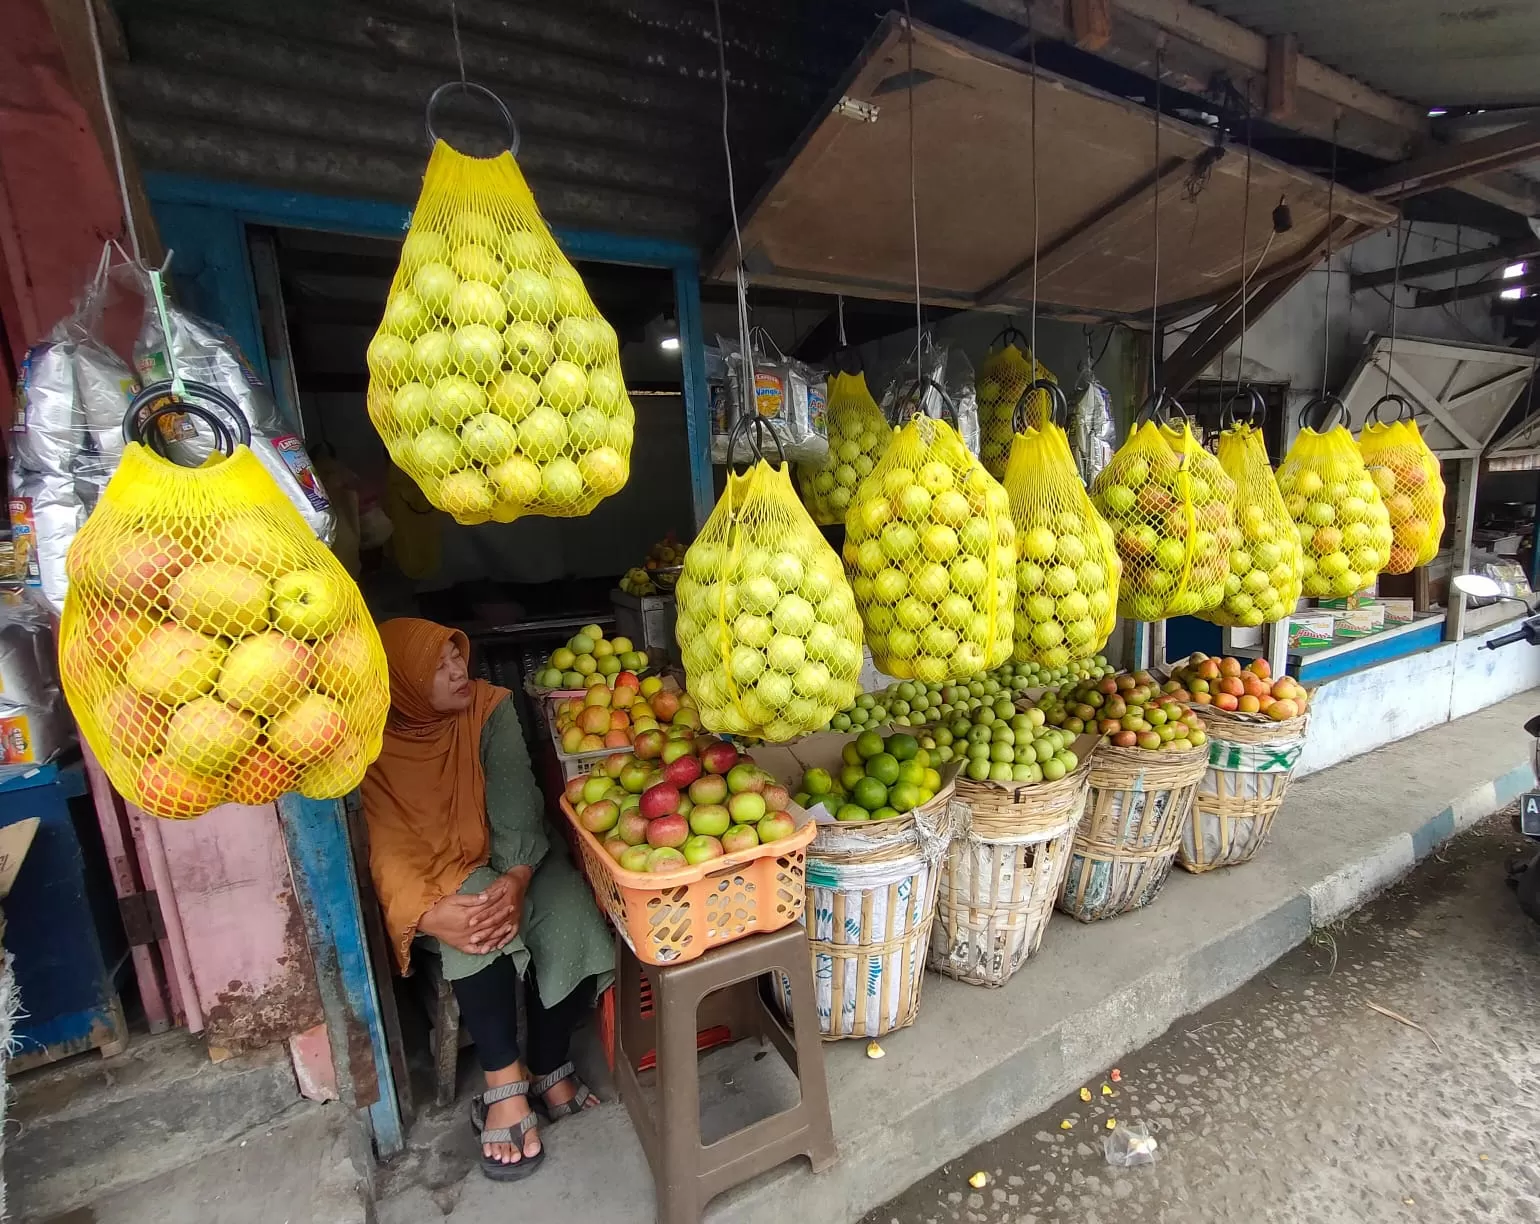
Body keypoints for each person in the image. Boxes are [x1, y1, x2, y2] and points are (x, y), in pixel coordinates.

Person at [361, 618, 614, 1181]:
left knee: (571, 907)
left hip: (514, 858)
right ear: (400, 679)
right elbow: (386, 848)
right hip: (431, 879)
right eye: (438, 665)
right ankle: (504, 1085)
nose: (459, 671)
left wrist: (519, 878)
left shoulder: (487, 707)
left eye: (459, 657)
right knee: (475, 915)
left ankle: (549, 1061)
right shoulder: (368, 740)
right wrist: (426, 911)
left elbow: (517, 803)